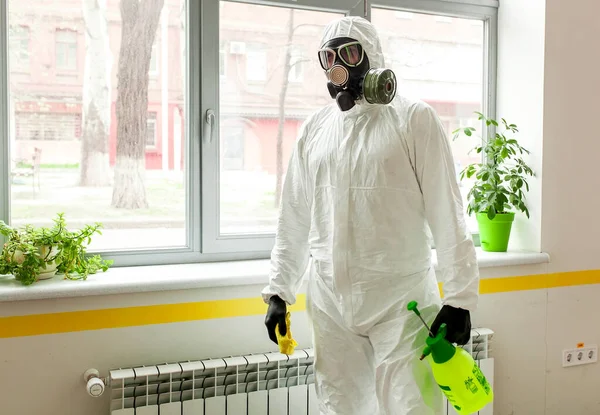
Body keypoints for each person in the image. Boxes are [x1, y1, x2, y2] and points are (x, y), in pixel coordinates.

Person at [262, 15, 479, 415]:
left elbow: (447, 211)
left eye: (348, 51)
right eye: (329, 56)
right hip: (330, 299)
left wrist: (461, 296)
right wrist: (279, 291)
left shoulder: (414, 120)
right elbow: (293, 216)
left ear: (373, 55)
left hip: (402, 301)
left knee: (414, 407)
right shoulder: (316, 129)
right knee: (340, 405)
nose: (338, 64)